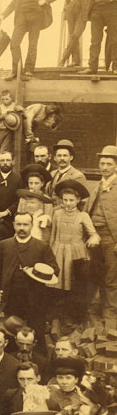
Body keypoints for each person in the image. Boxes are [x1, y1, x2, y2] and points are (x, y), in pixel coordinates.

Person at [0, 212, 59, 345]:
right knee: (10, 334)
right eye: (19, 224)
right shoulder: (4, 245)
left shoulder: (42, 246)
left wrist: (38, 272)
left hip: (35, 300)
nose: (22, 228)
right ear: (14, 225)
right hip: (11, 299)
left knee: (36, 335)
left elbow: (55, 269)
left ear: (32, 226)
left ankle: (38, 363)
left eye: (25, 224)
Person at [0, 0, 63, 81]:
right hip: (21, 17)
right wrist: (3, 15)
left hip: (36, 16)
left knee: (32, 44)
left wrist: (44, 0)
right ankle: (17, 71)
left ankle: (29, 70)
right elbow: (13, 3)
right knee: (14, 43)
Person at [49, 180, 99, 326]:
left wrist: (94, 239)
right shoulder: (57, 214)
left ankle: (73, 315)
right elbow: (52, 235)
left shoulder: (83, 216)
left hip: (76, 253)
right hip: (58, 250)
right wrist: (50, 252)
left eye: (71, 200)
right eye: (65, 200)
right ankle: (57, 312)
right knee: (57, 282)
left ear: (78, 200)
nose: (68, 203)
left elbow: (93, 234)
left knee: (74, 283)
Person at [88, 144, 117, 336]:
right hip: (94, 238)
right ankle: (94, 312)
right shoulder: (96, 186)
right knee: (94, 275)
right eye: (102, 163)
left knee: (111, 278)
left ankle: (111, 316)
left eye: (109, 163)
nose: (104, 166)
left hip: (111, 239)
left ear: (116, 166)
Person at [59, 0, 94, 67]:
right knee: (72, 34)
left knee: (75, 35)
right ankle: (75, 61)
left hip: (83, 10)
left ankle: (64, 57)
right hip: (71, 9)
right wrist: (66, 8)